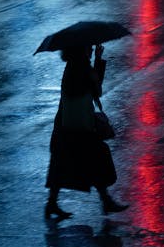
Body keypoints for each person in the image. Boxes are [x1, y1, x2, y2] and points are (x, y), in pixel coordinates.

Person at [45, 43, 128, 220]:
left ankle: (53, 203)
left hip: (67, 121)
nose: (90, 50)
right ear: (79, 50)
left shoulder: (75, 65)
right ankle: (105, 200)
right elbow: (95, 89)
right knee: (95, 157)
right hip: (77, 123)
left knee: (62, 163)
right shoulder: (79, 67)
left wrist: (96, 62)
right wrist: (96, 62)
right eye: (88, 47)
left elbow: (93, 87)